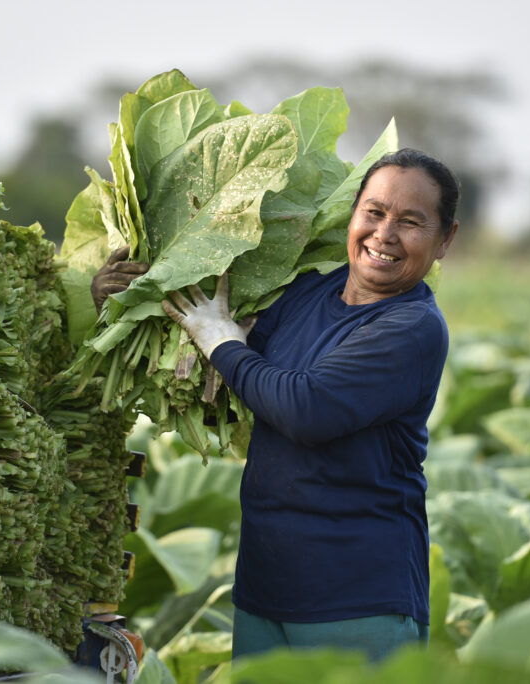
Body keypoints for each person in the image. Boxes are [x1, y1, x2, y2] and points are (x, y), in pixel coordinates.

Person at [95, 148, 460, 661]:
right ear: (352, 216)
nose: (385, 234)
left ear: (445, 240)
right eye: (374, 213)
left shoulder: (411, 328)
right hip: (266, 589)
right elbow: (222, 388)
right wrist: (123, 307)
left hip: (357, 600)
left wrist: (221, 340)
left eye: (411, 222)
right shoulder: (308, 292)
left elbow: (304, 410)